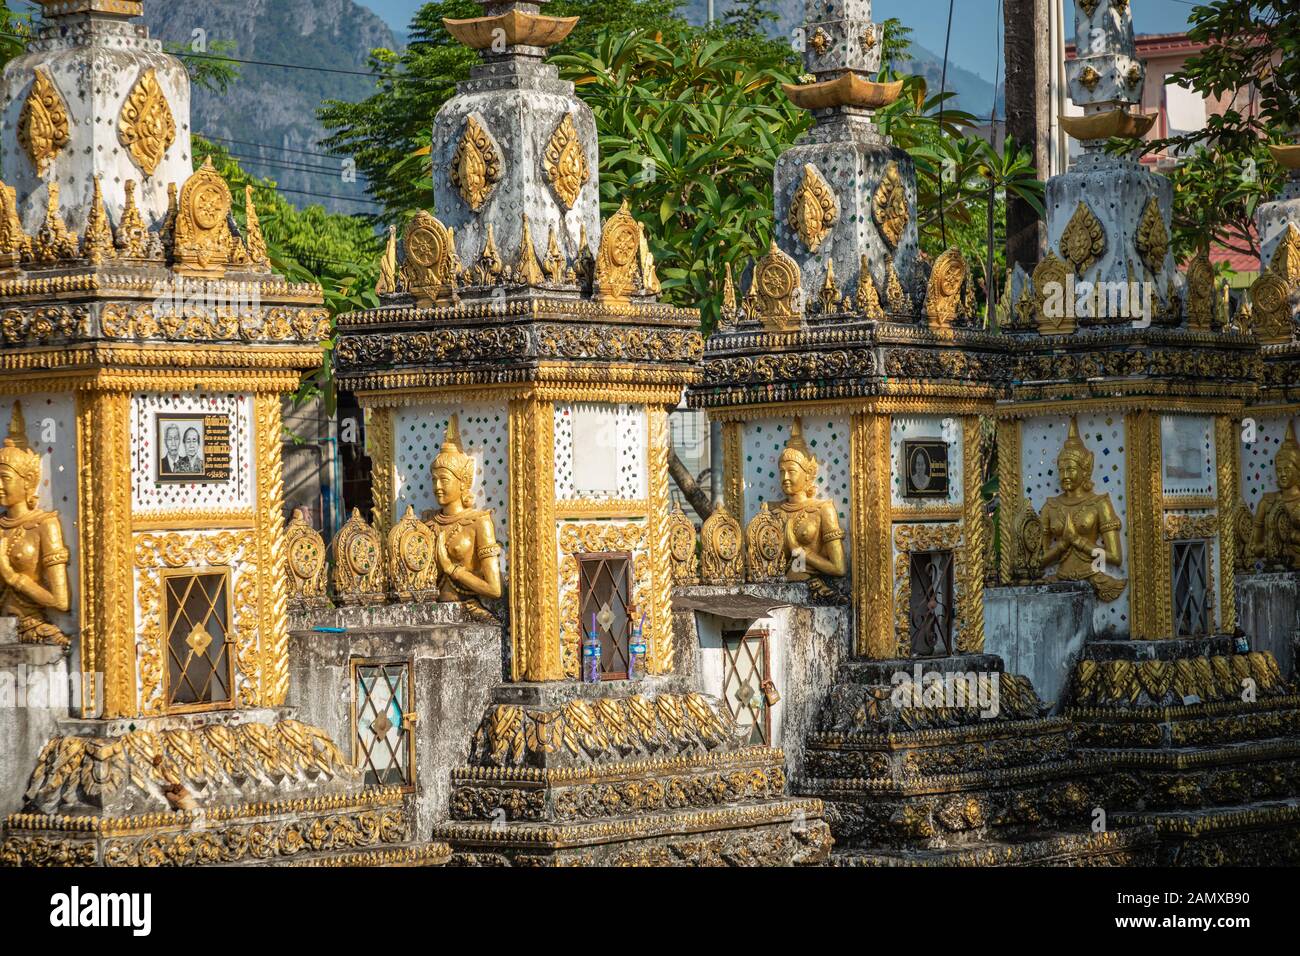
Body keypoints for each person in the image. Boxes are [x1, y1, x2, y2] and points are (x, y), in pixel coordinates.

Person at [0, 402, 70, 646]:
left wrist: (11, 576)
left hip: (33, 630)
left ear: (28, 481)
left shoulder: (44, 525)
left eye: (5, 478)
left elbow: (59, 601)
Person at [424, 415, 502, 620]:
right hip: (432, 612)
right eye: (434, 480)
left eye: (444, 480)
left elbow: (494, 589)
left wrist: (451, 568)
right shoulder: (428, 523)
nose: (437, 487)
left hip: (469, 610)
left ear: (462, 482)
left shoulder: (478, 522)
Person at [1040, 417, 1126, 601]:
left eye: (1070, 469)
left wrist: (1078, 541)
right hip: (1059, 580)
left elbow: (1115, 557)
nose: (1065, 475)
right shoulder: (1050, 506)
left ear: (1085, 470)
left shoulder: (1099, 503)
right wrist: (1063, 545)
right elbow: (1038, 561)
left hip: (1093, 575)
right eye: (1061, 470)